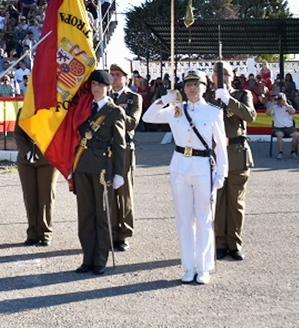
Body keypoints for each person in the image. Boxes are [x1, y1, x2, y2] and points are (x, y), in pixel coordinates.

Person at [142, 69, 227, 284]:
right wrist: (165, 99)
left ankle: (205, 267)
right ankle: (189, 266)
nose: (192, 88)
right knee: (184, 220)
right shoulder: (176, 110)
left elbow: (221, 146)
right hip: (180, 167)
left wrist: (221, 174)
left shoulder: (214, 112)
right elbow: (148, 117)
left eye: (196, 84)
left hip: (202, 168)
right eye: (188, 84)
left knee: (204, 219)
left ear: (205, 88)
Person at [70, 69, 128, 276]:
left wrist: (120, 173)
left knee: (102, 216)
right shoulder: (83, 108)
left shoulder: (115, 112)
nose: (96, 89)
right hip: (83, 166)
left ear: (109, 88)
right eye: (94, 85)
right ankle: (88, 258)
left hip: (104, 168)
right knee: (85, 215)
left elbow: (120, 145)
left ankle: (100, 259)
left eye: (101, 86)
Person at [210, 61, 256, 263]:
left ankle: (234, 243)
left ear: (233, 76)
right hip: (216, 153)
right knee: (218, 201)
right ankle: (220, 243)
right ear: (212, 78)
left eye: (226, 74)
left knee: (235, 203)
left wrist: (228, 100)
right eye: (218, 75)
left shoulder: (241, 95)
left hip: (237, 152)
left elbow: (250, 116)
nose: (222, 78)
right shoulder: (207, 97)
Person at [109, 63, 142, 251]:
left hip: (125, 150)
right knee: (110, 193)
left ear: (126, 78)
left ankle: (125, 233)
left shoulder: (133, 98)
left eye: (118, 75)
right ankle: (112, 232)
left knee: (125, 193)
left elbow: (132, 123)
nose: (114, 78)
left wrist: (115, 109)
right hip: (108, 149)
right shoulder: (104, 97)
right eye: (112, 74)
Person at [14, 112, 58, 247]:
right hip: (26, 160)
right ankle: (32, 232)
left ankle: (45, 232)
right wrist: (27, 151)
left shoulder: (54, 111)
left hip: (47, 159)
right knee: (30, 196)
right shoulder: (24, 110)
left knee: (46, 196)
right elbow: (18, 133)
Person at [268, 93, 299, 159]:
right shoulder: (275, 108)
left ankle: (293, 151)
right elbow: (267, 113)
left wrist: (285, 103)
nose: (280, 101)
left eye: (281, 99)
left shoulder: (288, 107)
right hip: (278, 128)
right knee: (279, 135)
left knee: (296, 135)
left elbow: (293, 112)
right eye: (279, 100)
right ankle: (280, 152)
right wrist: (273, 103)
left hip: (289, 127)